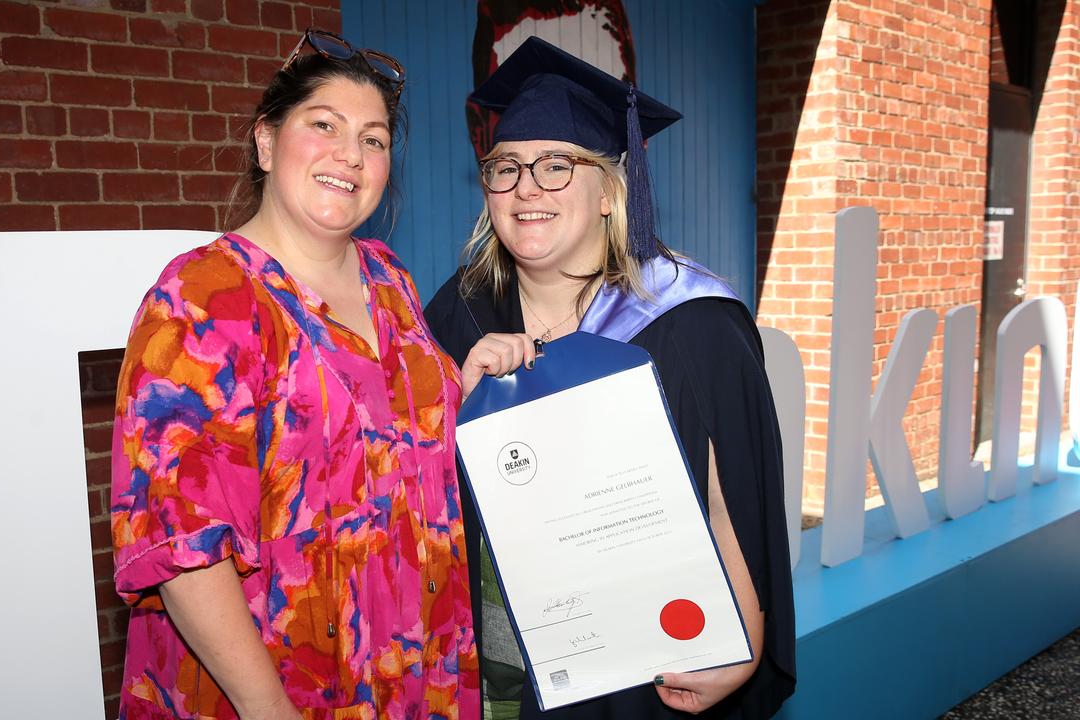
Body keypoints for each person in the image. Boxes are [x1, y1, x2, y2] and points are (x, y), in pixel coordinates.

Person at [424, 37, 796, 720]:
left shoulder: (689, 320)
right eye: (505, 168)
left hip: (646, 656)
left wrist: (739, 643)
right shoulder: (459, 312)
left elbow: (732, 500)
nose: (526, 187)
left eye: (557, 165)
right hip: (498, 655)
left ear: (609, 191)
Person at [111, 29, 478, 719]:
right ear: (266, 142)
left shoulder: (388, 278)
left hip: (411, 657)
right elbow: (184, 545)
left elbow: (405, 436)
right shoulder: (204, 298)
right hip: (273, 680)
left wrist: (473, 380)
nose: (352, 153)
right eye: (324, 125)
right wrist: (266, 709)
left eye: (374, 138)